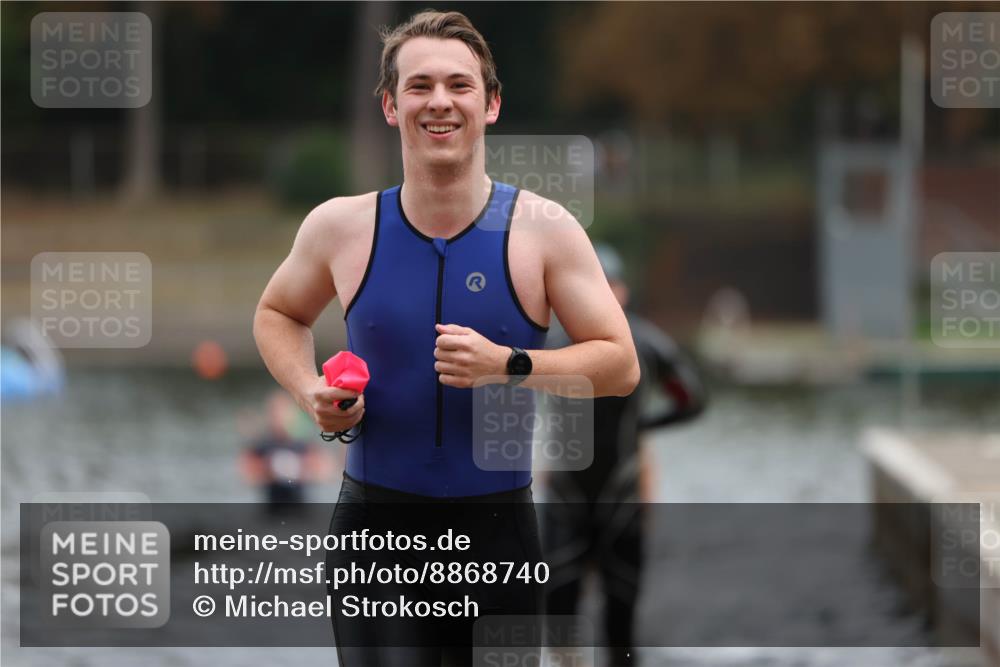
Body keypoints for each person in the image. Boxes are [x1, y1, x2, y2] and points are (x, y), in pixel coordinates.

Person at [252, 10, 640, 667]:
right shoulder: (342, 227)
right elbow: (277, 313)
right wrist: (309, 388)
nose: (439, 101)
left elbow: (620, 362)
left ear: (490, 105)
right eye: (419, 84)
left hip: (500, 535)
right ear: (388, 104)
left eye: (459, 86)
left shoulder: (544, 230)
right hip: (376, 535)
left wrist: (510, 365)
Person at [541, 243, 707, 667]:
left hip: (623, 493)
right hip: (566, 494)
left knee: (621, 618)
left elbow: (693, 399)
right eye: (591, 285)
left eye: (609, 285)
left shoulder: (645, 344)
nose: (601, 295)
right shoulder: (550, 343)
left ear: (624, 292)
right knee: (558, 613)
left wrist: (641, 428)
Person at [239, 390, 336, 509]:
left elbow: (325, 473)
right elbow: (247, 476)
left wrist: (301, 472)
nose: (280, 417)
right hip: (272, 508)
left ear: (293, 415)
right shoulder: (261, 445)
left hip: (300, 506)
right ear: (270, 415)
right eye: (276, 413)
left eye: (284, 412)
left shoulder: (303, 443)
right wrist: (268, 473)